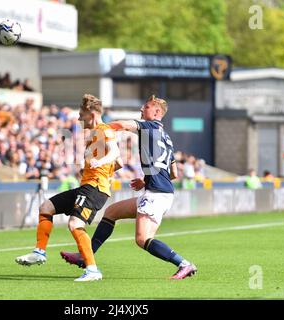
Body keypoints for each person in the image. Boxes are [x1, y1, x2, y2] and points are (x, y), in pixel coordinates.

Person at [61, 95, 197, 280]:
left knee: (142, 239)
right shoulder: (167, 138)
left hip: (157, 195)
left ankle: (184, 264)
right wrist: (145, 181)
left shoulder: (149, 126)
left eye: (146, 107)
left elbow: (122, 125)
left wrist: (102, 128)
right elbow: (174, 173)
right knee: (111, 212)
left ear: (157, 112)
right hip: (158, 191)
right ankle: (86, 257)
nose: (142, 109)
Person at [15, 94, 122, 282]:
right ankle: (39, 252)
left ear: (92, 113)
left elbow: (116, 152)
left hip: (95, 188)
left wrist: (100, 163)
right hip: (87, 185)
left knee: (75, 224)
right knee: (46, 207)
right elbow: (118, 162)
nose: (79, 118)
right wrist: (99, 168)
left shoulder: (104, 130)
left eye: (82, 114)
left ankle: (92, 270)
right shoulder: (95, 135)